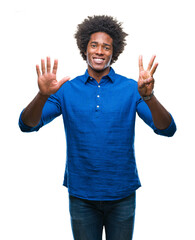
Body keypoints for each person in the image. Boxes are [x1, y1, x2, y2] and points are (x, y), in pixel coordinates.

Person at [19, 15, 176, 240]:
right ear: (85, 49)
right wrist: (42, 96)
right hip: (82, 196)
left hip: (122, 194)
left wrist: (149, 97)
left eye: (106, 47)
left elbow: (167, 129)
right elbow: (27, 124)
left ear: (114, 52)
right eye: (94, 45)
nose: (100, 51)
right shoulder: (66, 89)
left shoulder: (132, 88)